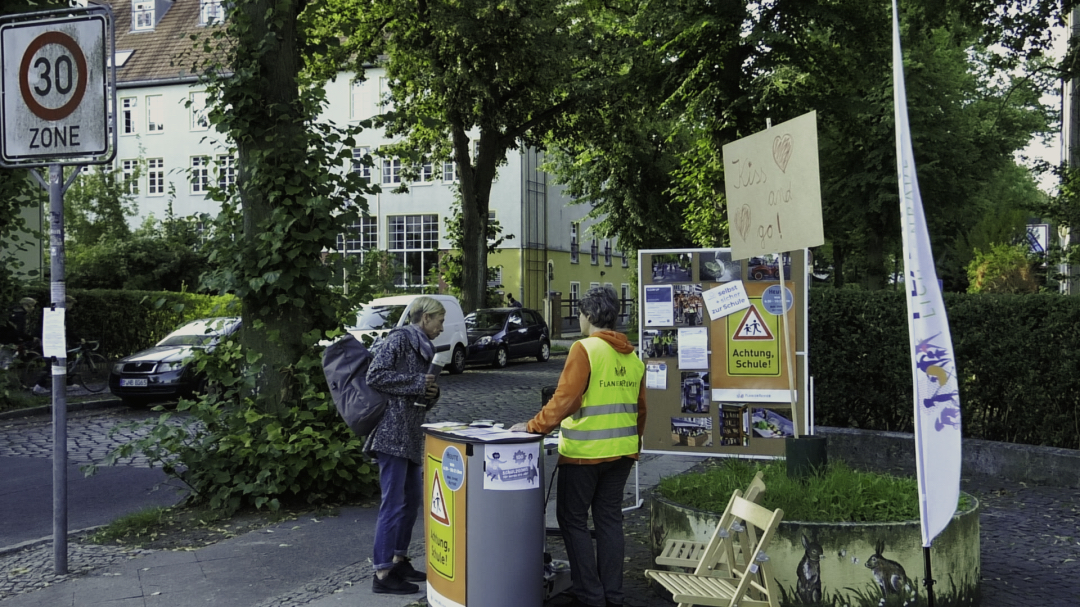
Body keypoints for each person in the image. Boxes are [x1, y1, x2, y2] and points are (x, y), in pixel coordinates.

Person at [510, 285, 647, 607]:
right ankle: (612, 594)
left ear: (587, 316)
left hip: (586, 454)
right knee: (610, 520)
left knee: (572, 520)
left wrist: (533, 427)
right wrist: (633, 443)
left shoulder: (584, 349)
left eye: (581, 316)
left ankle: (590, 593)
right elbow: (641, 408)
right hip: (623, 451)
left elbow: (565, 399)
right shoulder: (632, 355)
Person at [364, 296, 444, 595]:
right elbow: (376, 376)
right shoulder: (399, 340)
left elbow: (422, 393)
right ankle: (382, 573)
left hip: (410, 434)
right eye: (439, 320)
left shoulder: (426, 347)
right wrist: (417, 382)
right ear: (424, 318)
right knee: (393, 503)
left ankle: (398, 559)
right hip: (391, 434)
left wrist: (431, 391)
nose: (442, 326)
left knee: (411, 502)